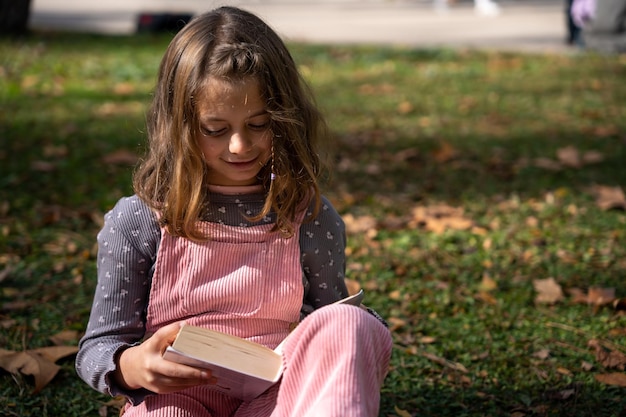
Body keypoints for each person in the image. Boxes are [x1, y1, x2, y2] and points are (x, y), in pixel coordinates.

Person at [75, 6, 392, 417]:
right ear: (179, 126)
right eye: (215, 129)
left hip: (277, 397)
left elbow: (329, 330)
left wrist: (364, 328)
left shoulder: (309, 217)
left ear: (286, 119)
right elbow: (98, 348)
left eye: (259, 124)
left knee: (352, 324)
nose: (240, 146)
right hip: (177, 399)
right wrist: (133, 367)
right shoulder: (139, 222)